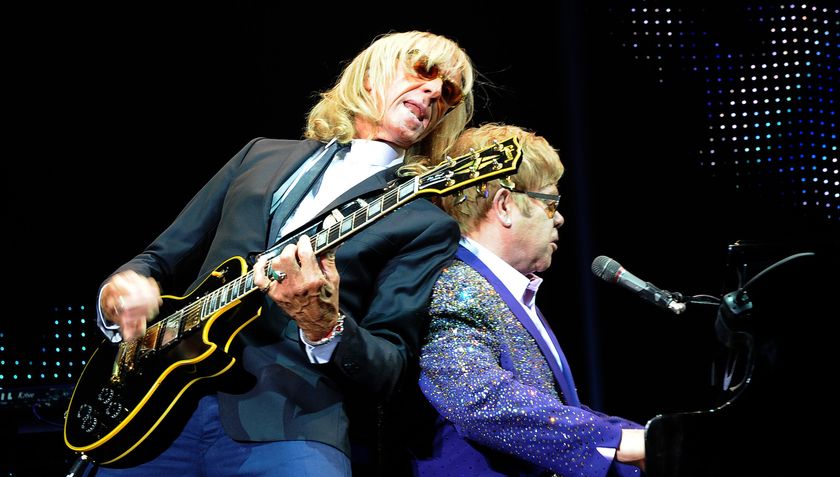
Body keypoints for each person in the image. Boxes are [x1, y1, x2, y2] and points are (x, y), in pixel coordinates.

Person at [85, 30, 475, 477]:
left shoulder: (423, 223)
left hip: (292, 424)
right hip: (156, 415)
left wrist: (325, 327)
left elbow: (390, 367)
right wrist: (120, 291)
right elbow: (161, 257)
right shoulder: (260, 155)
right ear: (370, 76)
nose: (432, 92)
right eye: (422, 71)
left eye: (447, 92)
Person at [411, 123, 646, 477]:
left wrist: (646, 438)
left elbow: (552, 409)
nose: (561, 219)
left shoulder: (501, 288)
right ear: (505, 205)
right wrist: (617, 442)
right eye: (551, 203)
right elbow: (477, 397)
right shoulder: (455, 284)